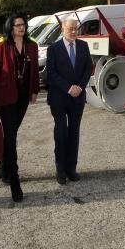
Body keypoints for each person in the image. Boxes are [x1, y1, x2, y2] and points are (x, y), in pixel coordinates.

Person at [0, 14, 39, 202]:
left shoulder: (32, 45)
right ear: (10, 28)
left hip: (23, 97)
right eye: (17, 25)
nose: (21, 28)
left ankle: (3, 167)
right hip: (5, 97)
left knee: (12, 132)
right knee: (10, 135)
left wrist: (35, 90)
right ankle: (14, 179)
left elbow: (34, 71)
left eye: (23, 25)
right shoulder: (1, 47)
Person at [46, 18, 92, 184]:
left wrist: (79, 87)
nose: (74, 32)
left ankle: (71, 168)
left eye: (76, 29)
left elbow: (88, 69)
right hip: (59, 97)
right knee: (61, 132)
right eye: (70, 29)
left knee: (74, 133)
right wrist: (68, 88)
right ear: (62, 28)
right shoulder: (53, 49)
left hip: (77, 98)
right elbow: (51, 73)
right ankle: (60, 170)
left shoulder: (83, 46)